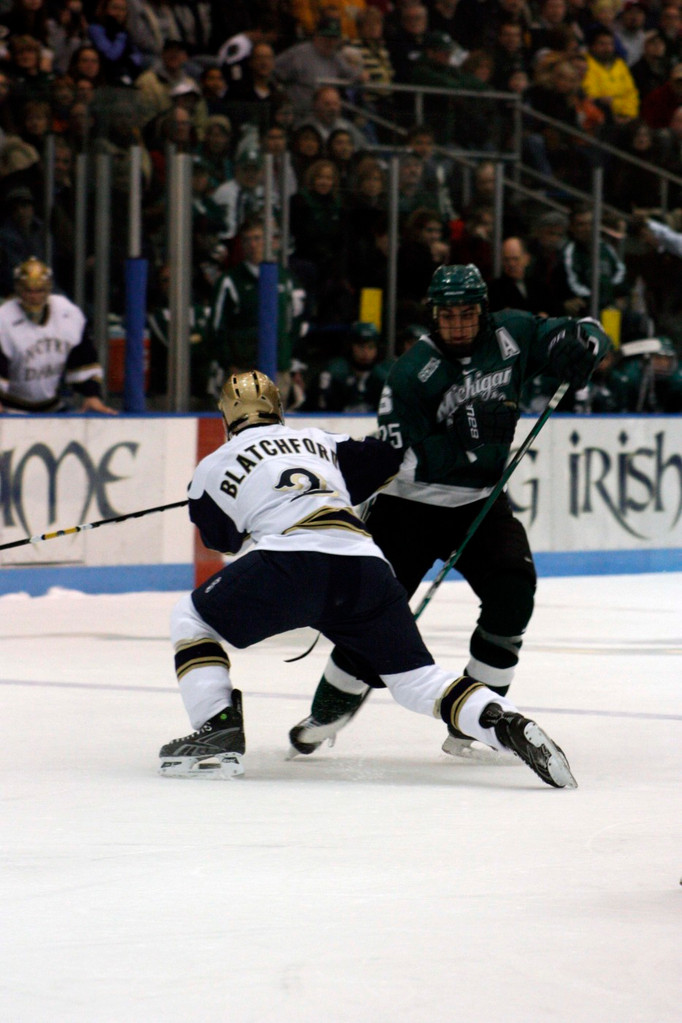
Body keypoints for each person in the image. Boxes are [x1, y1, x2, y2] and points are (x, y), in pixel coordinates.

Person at [158, 368, 577, 789]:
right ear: (278, 407)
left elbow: (224, 541)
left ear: (226, 417)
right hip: (365, 565)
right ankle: (504, 722)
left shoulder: (211, 468)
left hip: (289, 564)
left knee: (191, 619)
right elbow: (383, 461)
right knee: (416, 680)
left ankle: (216, 727)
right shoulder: (323, 440)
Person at [288, 263, 610, 759]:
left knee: (513, 596)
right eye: (447, 315)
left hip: (480, 503)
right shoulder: (411, 371)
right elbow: (401, 453)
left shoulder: (513, 333)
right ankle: (328, 709)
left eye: (467, 314)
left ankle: (476, 723)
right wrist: (463, 438)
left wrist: (586, 345)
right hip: (408, 507)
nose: (458, 324)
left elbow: (584, 331)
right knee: (377, 618)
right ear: (432, 316)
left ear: (482, 311)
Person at [0, 256, 117, 413]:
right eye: (28, 290)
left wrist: (92, 395)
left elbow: (83, 357)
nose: (34, 296)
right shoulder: (4, 319)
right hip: (11, 409)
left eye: (39, 290)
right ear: (18, 289)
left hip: (53, 407)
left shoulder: (66, 312)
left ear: (48, 288)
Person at [308, 321, 392, 412]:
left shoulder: (384, 375)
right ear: (351, 346)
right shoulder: (335, 373)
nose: (366, 352)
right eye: (361, 346)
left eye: (371, 347)